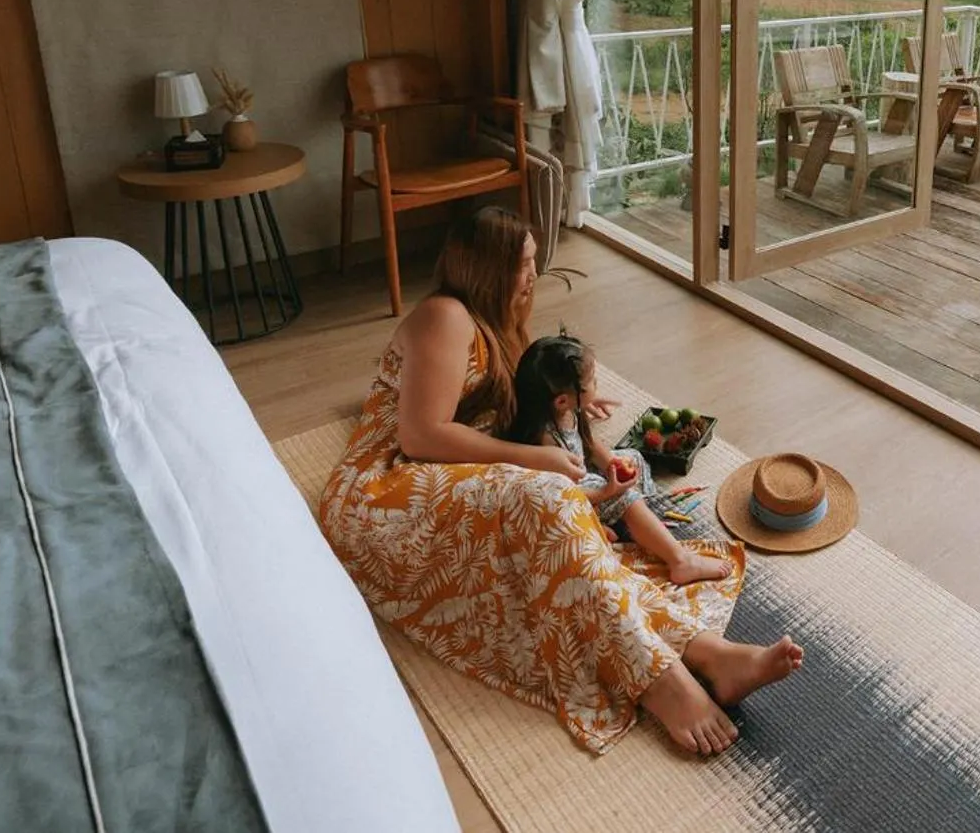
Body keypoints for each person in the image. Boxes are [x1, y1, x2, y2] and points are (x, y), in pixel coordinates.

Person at [317, 206, 801, 756]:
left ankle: (707, 652)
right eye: (524, 264)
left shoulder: (497, 324)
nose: (533, 275)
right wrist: (534, 459)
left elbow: (510, 403)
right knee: (552, 498)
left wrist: (574, 410)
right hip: (386, 494)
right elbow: (421, 437)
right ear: (489, 268)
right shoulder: (445, 316)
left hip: (452, 468)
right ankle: (663, 683)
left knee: (566, 535)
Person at [504, 333, 730, 585]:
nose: (597, 385)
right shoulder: (545, 442)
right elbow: (563, 496)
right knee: (626, 496)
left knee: (632, 457)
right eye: (592, 383)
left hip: (579, 477)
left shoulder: (567, 412)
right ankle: (680, 560)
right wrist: (606, 491)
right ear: (561, 400)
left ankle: (624, 522)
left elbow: (589, 445)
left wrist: (612, 462)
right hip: (570, 495)